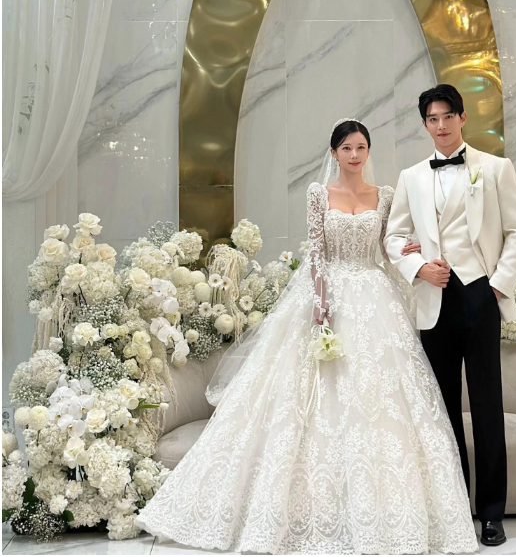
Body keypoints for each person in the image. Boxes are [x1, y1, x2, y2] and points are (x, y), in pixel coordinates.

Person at [137, 119, 479, 555]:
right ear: (334, 153)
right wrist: (320, 303)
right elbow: (316, 252)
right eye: (346, 148)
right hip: (328, 292)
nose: (354, 155)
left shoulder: (385, 196)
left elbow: (386, 248)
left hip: (375, 298)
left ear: (368, 152)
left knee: (381, 399)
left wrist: (408, 251)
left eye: (361, 147)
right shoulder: (319, 194)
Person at [384, 85, 516, 547]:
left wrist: (498, 285)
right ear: (424, 124)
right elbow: (394, 237)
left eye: (448, 116)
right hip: (434, 300)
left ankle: (491, 513)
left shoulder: (495, 168)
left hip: (480, 295)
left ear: (462, 118)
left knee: (486, 406)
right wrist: (417, 267)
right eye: (433, 118)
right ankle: (453, 508)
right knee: (441, 409)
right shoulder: (411, 176)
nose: (441, 125)